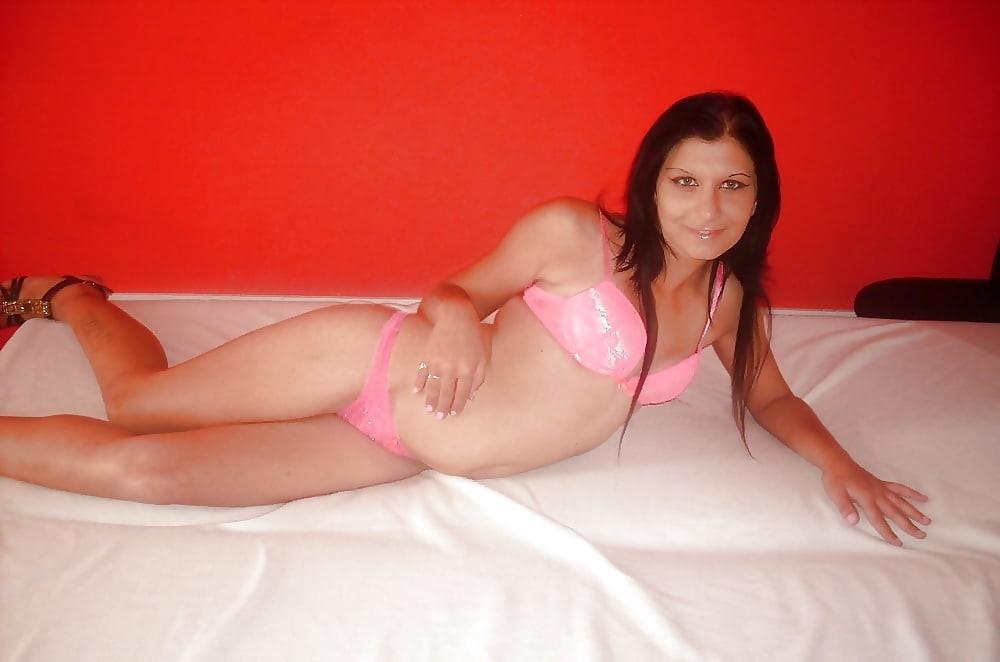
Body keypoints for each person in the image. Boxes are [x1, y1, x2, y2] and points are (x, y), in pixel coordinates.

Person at [0, 91, 931, 547]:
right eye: (686, 181)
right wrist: (448, 319)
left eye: (734, 185)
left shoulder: (730, 305)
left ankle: (79, 300)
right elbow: (458, 293)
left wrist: (841, 463)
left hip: (402, 446)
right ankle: (77, 296)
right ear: (652, 182)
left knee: (149, 475)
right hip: (374, 363)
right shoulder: (575, 236)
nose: (708, 208)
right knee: (136, 407)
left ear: (761, 196)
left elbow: (771, 397)